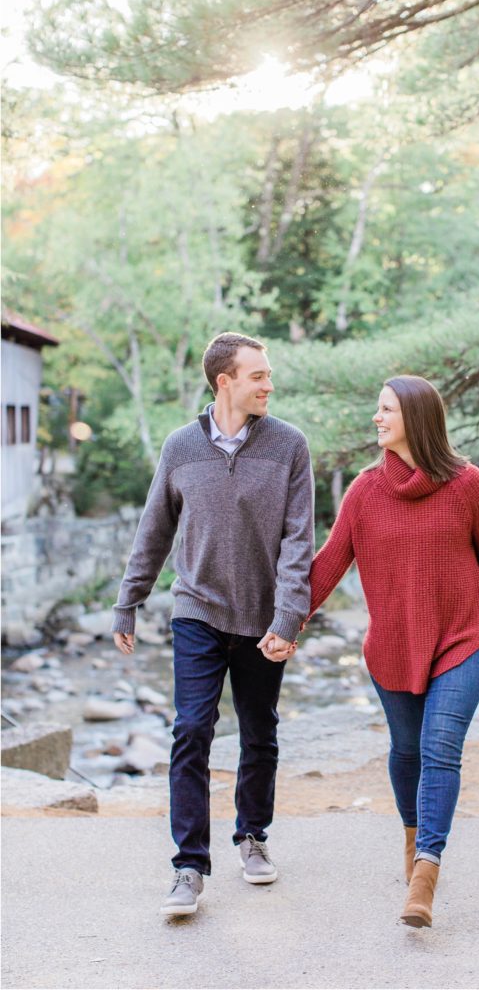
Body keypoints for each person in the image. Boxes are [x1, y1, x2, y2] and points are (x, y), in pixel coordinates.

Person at [306, 375, 479, 928]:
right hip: (393, 646)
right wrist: (287, 623)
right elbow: (329, 564)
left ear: (415, 417)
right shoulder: (363, 490)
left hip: (463, 640)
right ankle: (413, 846)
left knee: (439, 749)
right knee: (406, 752)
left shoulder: (467, 484)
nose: (376, 419)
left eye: (385, 409)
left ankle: (426, 873)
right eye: (377, 409)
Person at [112, 332, 314, 917]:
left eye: (269, 375)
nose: (269, 384)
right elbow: (155, 528)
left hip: (262, 617)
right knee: (191, 730)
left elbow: (298, 541)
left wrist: (288, 616)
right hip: (196, 609)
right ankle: (188, 866)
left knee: (259, 731)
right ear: (225, 381)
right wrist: (130, 600)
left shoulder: (289, 447)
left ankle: (252, 836)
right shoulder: (180, 448)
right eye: (259, 376)